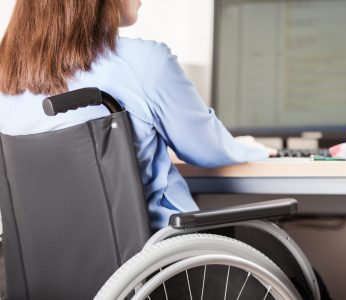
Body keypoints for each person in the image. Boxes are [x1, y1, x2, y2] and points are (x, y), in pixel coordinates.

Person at [0, 0, 274, 230]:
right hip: (157, 273)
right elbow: (208, 151)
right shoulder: (143, 62)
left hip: (53, 280)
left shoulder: (7, 82)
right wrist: (249, 149)